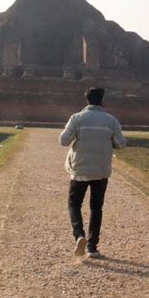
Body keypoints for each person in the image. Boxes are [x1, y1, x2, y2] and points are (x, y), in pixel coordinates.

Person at [59, 86, 126, 259]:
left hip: (79, 169)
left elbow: (63, 141)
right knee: (96, 208)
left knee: (74, 204)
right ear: (103, 100)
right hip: (101, 170)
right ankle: (92, 247)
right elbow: (121, 143)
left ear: (87, 100)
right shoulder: (112, 120)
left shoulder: (77, 118)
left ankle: (79, 235)